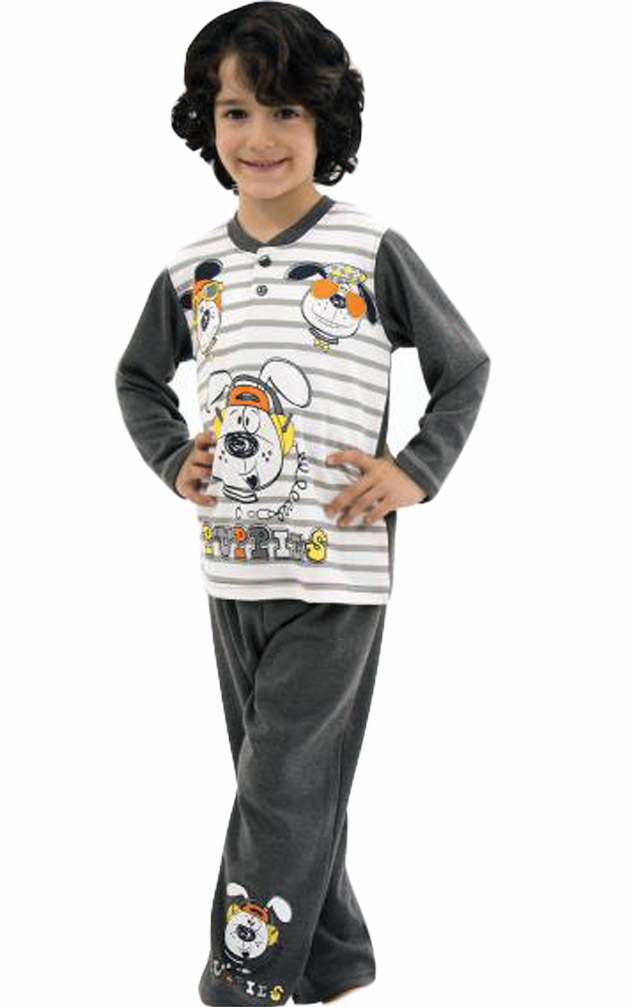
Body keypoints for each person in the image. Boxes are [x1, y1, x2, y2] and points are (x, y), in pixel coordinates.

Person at [115, 4, 491, 1004]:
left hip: (338, 570)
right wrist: (174, 458)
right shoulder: (193, 268)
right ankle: (332, 955)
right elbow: (138, 378)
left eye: (285, 110)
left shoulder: (369, 249)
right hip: (230, 564)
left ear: (325, 121)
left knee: (280, 781)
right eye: (236, 111)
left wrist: (415, 468)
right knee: (279, 777)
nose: (260, 137)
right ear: (207, 123)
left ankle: (246, 976)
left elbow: (463, 366)